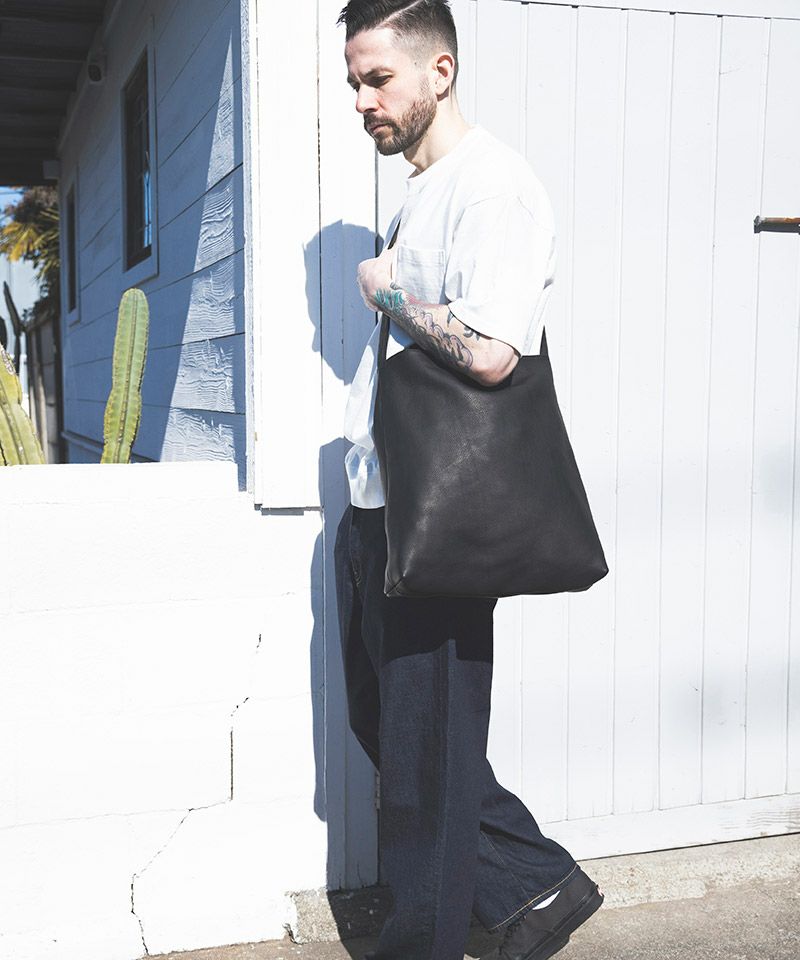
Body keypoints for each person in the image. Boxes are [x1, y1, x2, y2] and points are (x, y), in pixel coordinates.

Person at [333, 3, 604, 959]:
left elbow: (492, 352)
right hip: (379, 504)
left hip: (437, 515)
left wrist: (389, 291)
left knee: (426, 762)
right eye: (354, 80)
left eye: (378, 78)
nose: (362, 99)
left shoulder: (494, 188)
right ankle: (535, 889)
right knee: (390, 729)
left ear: (439, 71)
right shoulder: (425, 189)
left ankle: (427, 943)